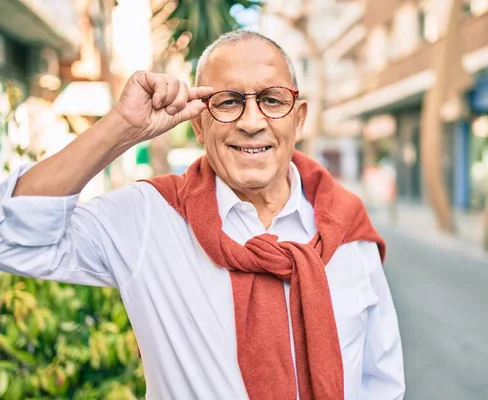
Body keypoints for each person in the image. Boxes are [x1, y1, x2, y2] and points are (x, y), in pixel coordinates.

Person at [0, 31, 405, 399]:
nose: (251, 122)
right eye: (228, 101)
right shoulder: (148, 219)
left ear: (297, 118)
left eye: (272, 100)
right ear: (197, 123)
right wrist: (122, 126)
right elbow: (11, 237)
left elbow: (380, 379)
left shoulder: (346, 226)